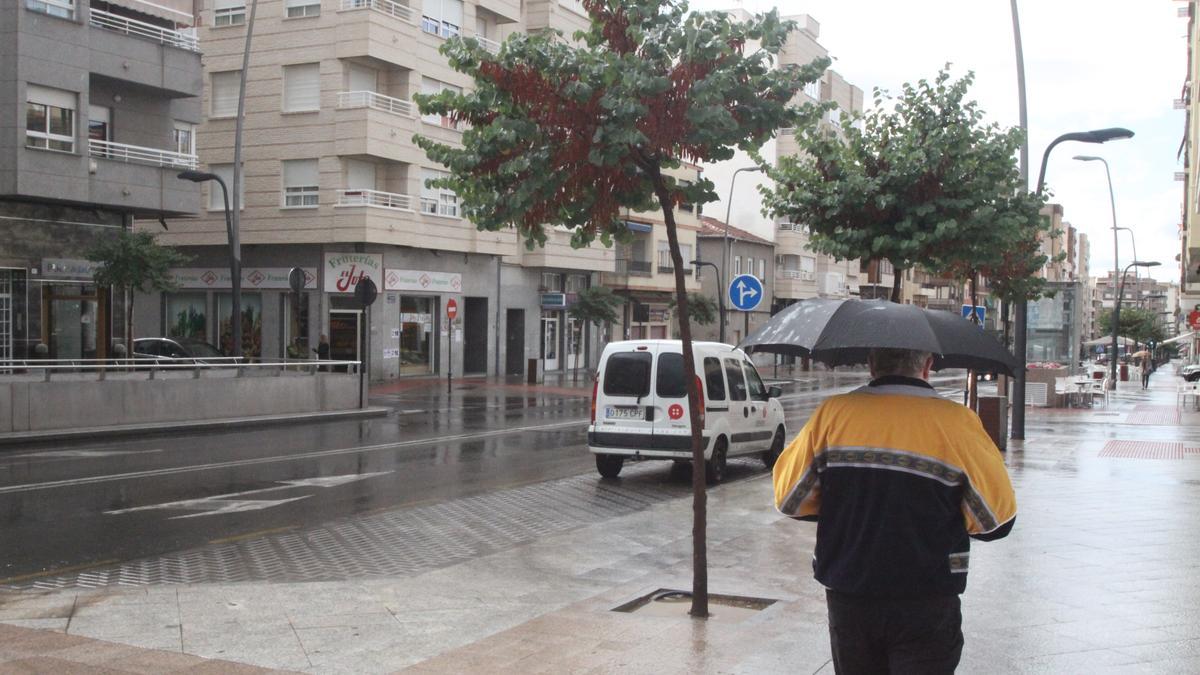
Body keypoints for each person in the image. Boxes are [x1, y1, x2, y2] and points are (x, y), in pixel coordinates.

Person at [773, 348, 1016, 674]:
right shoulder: (957, 422)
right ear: (928, 366)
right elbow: (996, 521)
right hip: (927, 596)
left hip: (850, 592)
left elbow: (790, 499)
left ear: (872, 364)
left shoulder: (834, 414)